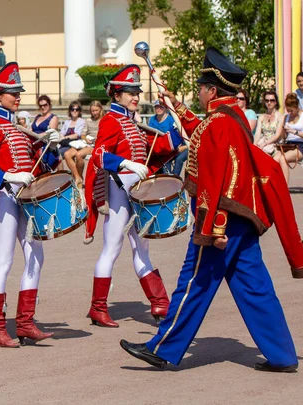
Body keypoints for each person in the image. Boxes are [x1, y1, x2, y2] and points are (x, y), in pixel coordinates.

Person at [120, 47, 303, 373]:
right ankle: (282, 355)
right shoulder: (228, 119)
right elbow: (200, 130)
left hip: (223, 221)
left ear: (211, 90)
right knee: (255, 288)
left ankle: (163, 348)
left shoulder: (219, 124)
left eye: (200, 88)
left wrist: (213, 229)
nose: (198, 92)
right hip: (240, 220)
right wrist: (174, 104)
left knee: (193, 282)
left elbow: (218, 181)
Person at [83, 65, 181, 328]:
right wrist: (126, 163)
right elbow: (100, 155)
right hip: (118, 189)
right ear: (117, 95)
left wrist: (177, 119)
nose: (135, 95)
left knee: (142, 247)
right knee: (112, 248)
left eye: (136, 90)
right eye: (129, 91)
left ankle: (160, 303)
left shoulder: (132, 122)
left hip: (137, 191)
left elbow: (156, 147)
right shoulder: (110, 120)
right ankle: (98, 307)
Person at [0, 62, 60, 347]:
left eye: (18, 91)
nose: (17, 96)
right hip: (5, 198)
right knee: (4, 261)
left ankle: (25, 322)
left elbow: (37, 162)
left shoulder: (15, 126)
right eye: (12, 92)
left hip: (26, 198)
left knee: (37, 257)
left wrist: (51, 146)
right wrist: (9, 176)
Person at [265, 93, 303, 183]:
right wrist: (283, 131)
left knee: (283, 158)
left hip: (300, 146)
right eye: (288, 110)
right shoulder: (286, 117)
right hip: (288, 145)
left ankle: (285, 186)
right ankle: (275, 183)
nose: (290, 113)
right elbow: (283, 137)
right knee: (275, 159)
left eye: (292, 110)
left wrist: (295, 132)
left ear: (297, 106)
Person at [148, 100, 187, 176]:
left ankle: (174, 177)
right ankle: (161, 176)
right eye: (156, 107)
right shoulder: (152, 119)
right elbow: (150, 135)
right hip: (160, 146)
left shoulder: (171, 120)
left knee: (171, 158)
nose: (158, 109)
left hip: (175, 146)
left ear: (165, 108)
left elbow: (177, 137)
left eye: (161, 107)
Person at [254, 91, 282, 155]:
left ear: (276, 102)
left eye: (272, 100)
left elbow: (277, 136)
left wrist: (265, 143)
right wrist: (254, 145)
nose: (269, 103)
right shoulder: (261, 117)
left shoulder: (280, 116)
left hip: (275, 145)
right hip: (262, 144)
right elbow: (257, 133)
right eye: (267, 100)